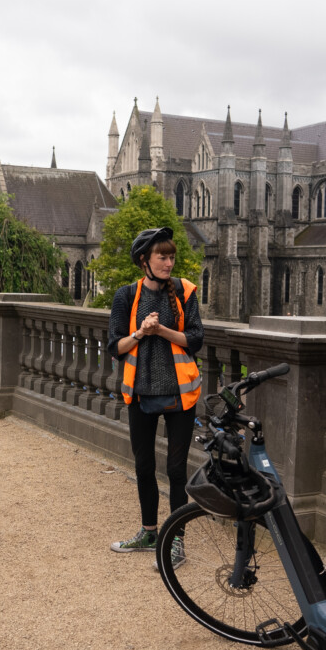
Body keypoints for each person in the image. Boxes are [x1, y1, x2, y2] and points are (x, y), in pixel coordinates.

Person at [106, 226, 203, 567]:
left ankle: (176, 540)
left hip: (181, 395)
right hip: (140, 393)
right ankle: (149, 532)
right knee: (144, 466)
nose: (169, 262)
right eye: (162, 256)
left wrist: (161, 330)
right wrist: (140, 333)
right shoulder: (125, 296)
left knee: (176, 470)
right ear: (144, 260)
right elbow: (115, 347)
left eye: (172, 256)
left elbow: (196, 339)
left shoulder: (184, 292)